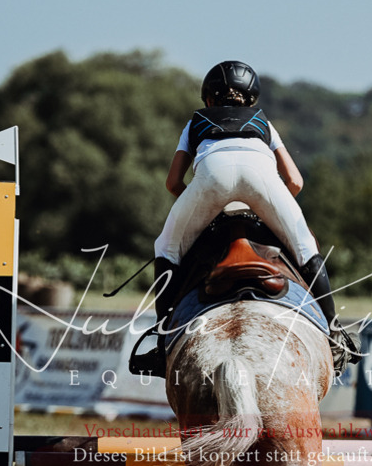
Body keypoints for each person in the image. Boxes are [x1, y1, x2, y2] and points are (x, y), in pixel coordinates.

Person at [138, 60, 360, 376]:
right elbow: (295, 181)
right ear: (251, 98)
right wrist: (266, 208)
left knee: (166, 248)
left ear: (209, 99)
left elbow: (173, 183)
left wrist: (206, 209)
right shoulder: (264, 123)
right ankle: (336, 335)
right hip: (262, 180)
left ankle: (162, 345)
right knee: (306, 247)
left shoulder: (195, 123)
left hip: (211, 180)